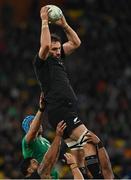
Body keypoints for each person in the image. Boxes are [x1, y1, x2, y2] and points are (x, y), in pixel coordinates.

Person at [33, 6, 114, 179]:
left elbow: (76, 43)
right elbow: (46, 45)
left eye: (57, 49)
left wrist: (64, 24)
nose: (56, 52)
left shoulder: (58, 57)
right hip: (61, 109)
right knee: (90, 141)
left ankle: (83, 176)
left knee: (78, 155)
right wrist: (44, 21)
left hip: (65, 110)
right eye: (53, 50)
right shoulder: (41, 63)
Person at [22, 93, 59, 179]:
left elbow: (54, 155)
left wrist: (59, 137)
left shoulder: (45, 140)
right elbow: (33, 130)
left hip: (53, 176)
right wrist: (41, 109)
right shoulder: (26, 142)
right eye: (33, 122)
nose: (39, 123)